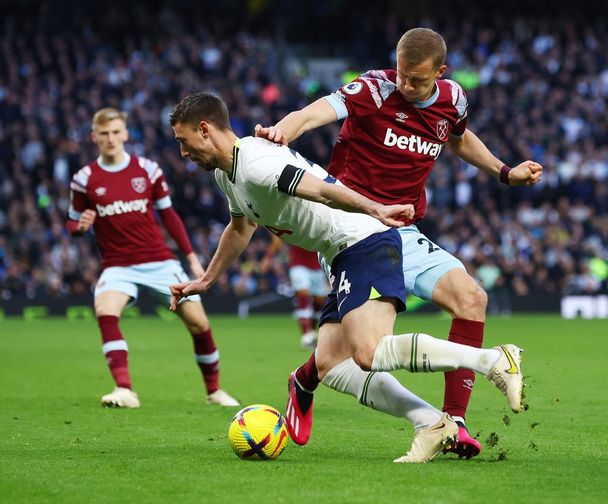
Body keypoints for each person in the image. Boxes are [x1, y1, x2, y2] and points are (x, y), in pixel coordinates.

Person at [167, 92, 524, 463]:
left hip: (363, 239)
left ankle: (493, 361)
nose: (183, 152)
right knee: (333, 366)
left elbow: (322, 190)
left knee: (370, 351)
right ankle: (432, 423)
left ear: (204, 130)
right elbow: (240, 228)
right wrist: (206, 280)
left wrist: (376, 209)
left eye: (183, 141)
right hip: (338, 252)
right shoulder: (230, 174)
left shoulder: (257, 162)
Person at [256, 27, 542, 458]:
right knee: (350, 355)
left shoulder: (453, 100)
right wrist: (283, 129)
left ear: (441, 73)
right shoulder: (375, 87)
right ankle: (307, 379)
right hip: (351, 229)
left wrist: (505, 171)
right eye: (403, 73)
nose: (405, 85)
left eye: (417, 80)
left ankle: (452, 423)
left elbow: (459, 138)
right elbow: (319, 109)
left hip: (402, 231)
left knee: (470, 298)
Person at [66, 107, 240, 409]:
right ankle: (124, 389)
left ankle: (214, 391)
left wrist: (191, 258)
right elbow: (71, 222)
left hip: (160, 262)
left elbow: (169, 216)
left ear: (125, 134)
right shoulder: (84, 179)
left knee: (199, 325)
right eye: (104, 133)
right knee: (105, 311)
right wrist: (80, 227)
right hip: (118, 266)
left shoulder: (147, 170)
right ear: (94, 137)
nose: (110, 138)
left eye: (115, 132)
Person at [261, 241, 329, 348]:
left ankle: (311, 331)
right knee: (303, 294)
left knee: (319, 301)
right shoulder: (295, 223)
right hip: (298, 264)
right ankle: (306, 334)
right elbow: (277, 238)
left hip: (317, 266)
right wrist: (268, 257)